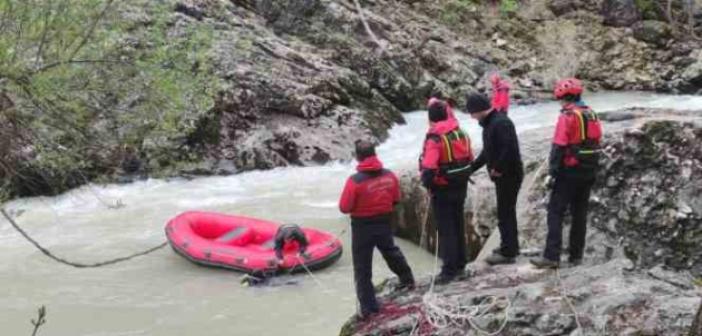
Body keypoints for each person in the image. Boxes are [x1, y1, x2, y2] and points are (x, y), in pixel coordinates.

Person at [530, 78, 602, 269]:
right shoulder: (591, 114)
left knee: (555, 211)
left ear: (564, 98)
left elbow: (559, 146)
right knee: (580, 213)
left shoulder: (567, 116)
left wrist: (552, 173)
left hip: (570, 170)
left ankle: (551, 256)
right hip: (589, 169)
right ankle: (576, 256)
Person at [339, 140, 415, 319]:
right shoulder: (389, 176)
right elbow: (396, 198)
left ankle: (369, 308)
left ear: (358, 157)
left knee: (362, 267)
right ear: (375, 154)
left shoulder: (354, 181)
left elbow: (344, 207)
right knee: (390, 251)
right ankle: (407, 279)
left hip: (362, 226)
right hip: (384, 221)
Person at [465, 92, 524, 265]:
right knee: (505, 211)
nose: (471, 116)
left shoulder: (501, 123)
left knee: (505, 212)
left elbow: (509, 149)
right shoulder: (490, 123)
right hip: (502, 175)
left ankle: (508, 252)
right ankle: (510, 245)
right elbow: (487, 151)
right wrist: (472, 167)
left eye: (472, 112)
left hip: (509, 175)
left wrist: (498, 169)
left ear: (479, 110)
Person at [419, 100, 474, 284]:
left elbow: (428, 168)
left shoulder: (435, 138)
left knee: (446, 229)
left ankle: (449, 270)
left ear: (430, 119)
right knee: (458, 223)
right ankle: (460, 264)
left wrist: (427, 185)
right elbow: (470, 158)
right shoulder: (461, 133)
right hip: (461, 185)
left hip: (442, 188)